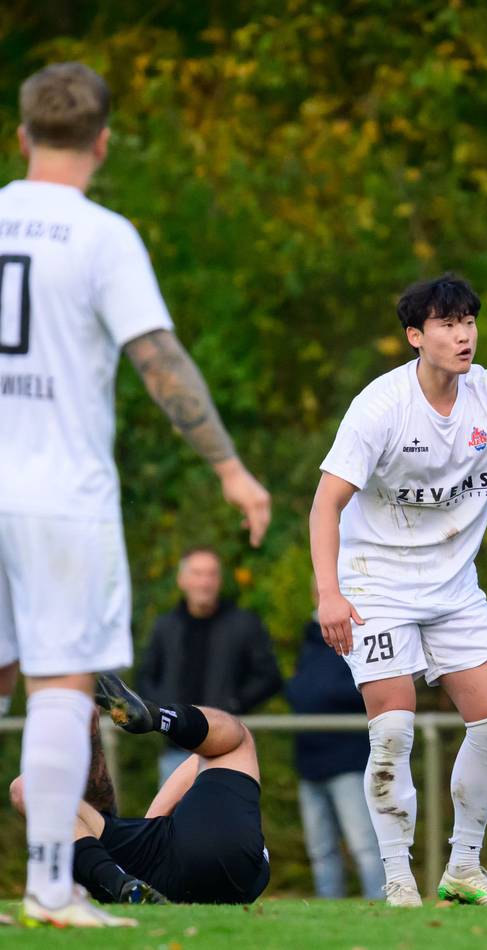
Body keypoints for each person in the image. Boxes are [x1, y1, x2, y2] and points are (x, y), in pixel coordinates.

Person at [0, 62, 271, 927]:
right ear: (105, 142)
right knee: (60, 687)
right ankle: (49, 888)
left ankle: (51, 882)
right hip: (59, 499)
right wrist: (230, 469)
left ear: (21, 136)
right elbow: (160, 362)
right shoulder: (102, 235)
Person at [311, 273, 487, 907]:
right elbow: (325, 504)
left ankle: (464, 868)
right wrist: (329, 595)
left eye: (468, 320)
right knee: (392, 733)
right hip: (377, 585)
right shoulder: (381, 406)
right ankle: (397, 879)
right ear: (416, 336)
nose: (463, 333)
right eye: (446, 323)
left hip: (454, 588)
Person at [10, 672, 270, 915]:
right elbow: (207, 756)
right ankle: (157, 717)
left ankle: (119, 883)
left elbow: (200, 759)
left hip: (135, 862)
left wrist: (148, 827)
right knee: (238, 739)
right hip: (216, 861)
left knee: (29, 789)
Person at [138, 547, 282, 784]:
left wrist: (235, 704)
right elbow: (145, 676)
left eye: (211, 574)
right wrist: (163, 710)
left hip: (225, 751)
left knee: (222, 820)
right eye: (197, 574)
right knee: (170, 819)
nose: (204, 582)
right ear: (182, 580)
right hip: (175, 749)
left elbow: (268, 676)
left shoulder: (243, 623)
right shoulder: (165, 626)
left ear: (219, 580)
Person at [286, 580, 385, 899]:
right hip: (310, 762)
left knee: (365, 847)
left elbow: (363, 688)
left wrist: (315, 695)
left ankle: (382, 909)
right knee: (321, 850)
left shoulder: (360, 630)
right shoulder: (310, 636)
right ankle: (326, 914)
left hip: (349, 760)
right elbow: (301, 692)